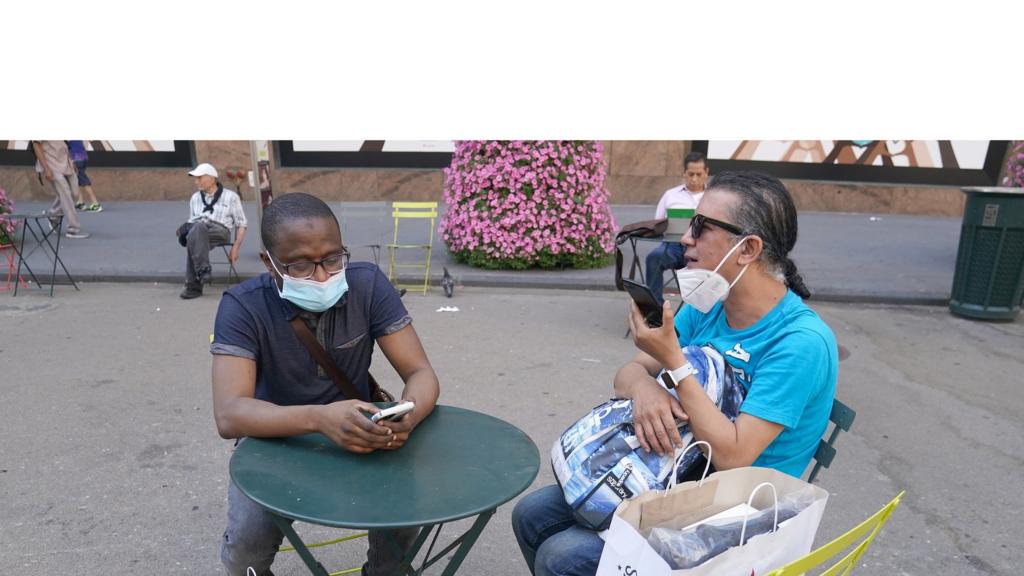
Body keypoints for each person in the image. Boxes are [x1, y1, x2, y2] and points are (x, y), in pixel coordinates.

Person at [512, 171, 838, 576]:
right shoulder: (710, 304)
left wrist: (676, 364)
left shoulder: (799, 342)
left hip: (738, 508)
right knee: (531, 514)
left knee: (563, 556)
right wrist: (645, 391)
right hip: (679, 474)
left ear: (747, 249)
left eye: (701, 228)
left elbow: (734, 457)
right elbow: (629, 372)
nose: (686, 238)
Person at [211, 192, 440, 576]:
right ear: (270, 263)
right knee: (246, 548)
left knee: (402, 518)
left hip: (366, 429)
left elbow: (421, 373)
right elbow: (230, 414)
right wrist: (320, 418)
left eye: (332, 259)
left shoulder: (367, 285)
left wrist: (409, 416)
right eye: (300, 265)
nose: (321, 276)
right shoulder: (242, 306)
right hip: (273, 438)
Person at [645, 151, 709, 305]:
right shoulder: (670, 195)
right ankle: (655, 309)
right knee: (653, 258)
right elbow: (657, 223)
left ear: (706, 173)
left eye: (699, 174)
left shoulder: (713, 196)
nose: (694, 179)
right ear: (684, 173)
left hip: (703, 248)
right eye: (690, 174)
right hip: (673, 246)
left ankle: (698, 312)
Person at [177, 163, 247, 299]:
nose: (196, 181)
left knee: (196, 232)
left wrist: (236, 248)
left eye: (199, 178)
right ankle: (202, 273)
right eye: (195, 178)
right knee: (196, 231)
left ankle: (193, 284)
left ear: (212, 179)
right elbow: (192, 221)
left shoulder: (231, 197)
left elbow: (242, 224)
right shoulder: (195, 198)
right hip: (198, 230)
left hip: (220, 230)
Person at [31, 140, 89, 239]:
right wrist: (46, 169)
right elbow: (36, 145)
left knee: (74, 193)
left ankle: (53, 215)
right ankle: (73, 229)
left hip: (65, 162)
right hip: (50, 163)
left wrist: (72, 161)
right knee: (65, 194)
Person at [67, 140, 102, 212]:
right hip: (83, 158)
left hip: (77, 159)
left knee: (83, 180)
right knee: (79, 180)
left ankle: (96, 204)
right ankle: (81, 202)